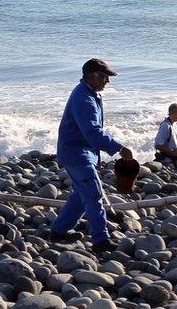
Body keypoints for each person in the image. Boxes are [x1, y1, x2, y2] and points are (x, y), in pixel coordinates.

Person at [50, 58, 133, 253]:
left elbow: (91, 133)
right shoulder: (84, 98)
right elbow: (93, 132)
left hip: (79, 152)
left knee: (81, 194)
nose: (107, 81)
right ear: (90, 75)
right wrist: (119, 148)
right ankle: (100, 239)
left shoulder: (89, 93)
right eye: (104, 76)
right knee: (93, 192)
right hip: (76, 153)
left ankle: (58, 231)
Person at [154, 103, 177, 168]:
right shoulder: (165, 126)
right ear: (172, 112)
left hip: (175, 158)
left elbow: (174, 142)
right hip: (168, 160)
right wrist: (173, 152)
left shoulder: (174, 125)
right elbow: (158, 145)